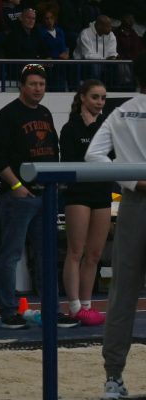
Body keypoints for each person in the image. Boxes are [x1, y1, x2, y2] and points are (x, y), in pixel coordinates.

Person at [0, 63, 80, 330]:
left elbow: (52, 150)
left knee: (47, 256)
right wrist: (16, 186)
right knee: (11, 255)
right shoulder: (8, 115)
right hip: (18, 198)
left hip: (45, 195)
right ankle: (8, 312)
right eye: (33, 84)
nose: (38, 89)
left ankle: (51, 311)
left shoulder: (46, 113)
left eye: (41, 84)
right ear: (22, 85)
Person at [85, 52, 146, 400]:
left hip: (135, 204)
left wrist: (133, 181)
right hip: (137, 201)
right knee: (122, 293)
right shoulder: (121, 111)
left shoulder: (121, 112)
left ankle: (113, 378)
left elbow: (94, 156)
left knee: (123, 293)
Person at [59, 79, 109, 327]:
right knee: (76, 251)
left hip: (101, 193)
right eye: (95, 97)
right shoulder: (71, 128)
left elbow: (111, 158)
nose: (99, 103)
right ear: (82, 98)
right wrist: (90, 130)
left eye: (102, 98)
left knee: (95, 254)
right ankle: (74, 305)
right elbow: (75, 159)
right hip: (78, 194)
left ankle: (87, 304)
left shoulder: (107, 126)